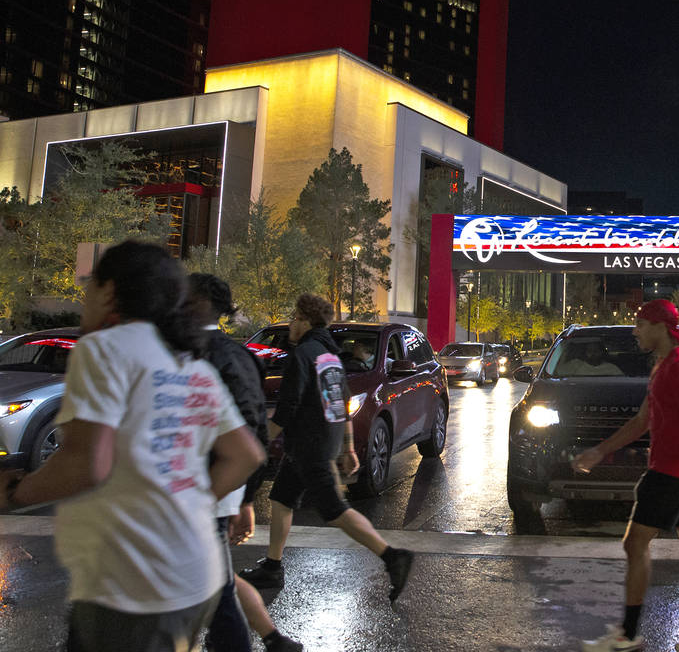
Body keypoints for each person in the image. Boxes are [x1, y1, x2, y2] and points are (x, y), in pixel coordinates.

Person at [0, 240, 264, 652]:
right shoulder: (191, 365)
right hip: (197, 576)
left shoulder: (105, 349)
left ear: (109, 292)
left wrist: (14, 492)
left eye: (89, 286)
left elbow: (87, 462)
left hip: (132, 584)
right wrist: (190, 506)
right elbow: (246, 455)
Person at [573, 299, 679, 652]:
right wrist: (601, 451)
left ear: (660, 326)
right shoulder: (663, 364)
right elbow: (641, 421)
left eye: (640, 325)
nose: (635, 331)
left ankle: (628, 636)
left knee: (634, 543)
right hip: (677, 470)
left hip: (672, 473)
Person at [239, 294, 414, 613]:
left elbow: (288, 408)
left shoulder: (302, 354)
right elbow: (340, 401)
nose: (291, 323)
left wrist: (260, 440)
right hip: (320, 440)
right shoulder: (330, 355)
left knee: (334, 508)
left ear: (306, 321)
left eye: (294, 317)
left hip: (310, 445)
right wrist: (346, 446)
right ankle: (273, 567)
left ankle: (392, 556)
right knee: (281, 498)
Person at [188, 273, 303, 652]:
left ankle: (267, 640)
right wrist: (245, 496)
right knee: (216, 581)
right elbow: (256, 433)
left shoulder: (182, 353)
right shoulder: (241, 356)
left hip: (191, 494)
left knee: (210, 590)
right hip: (221, 490)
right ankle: (273, 639)